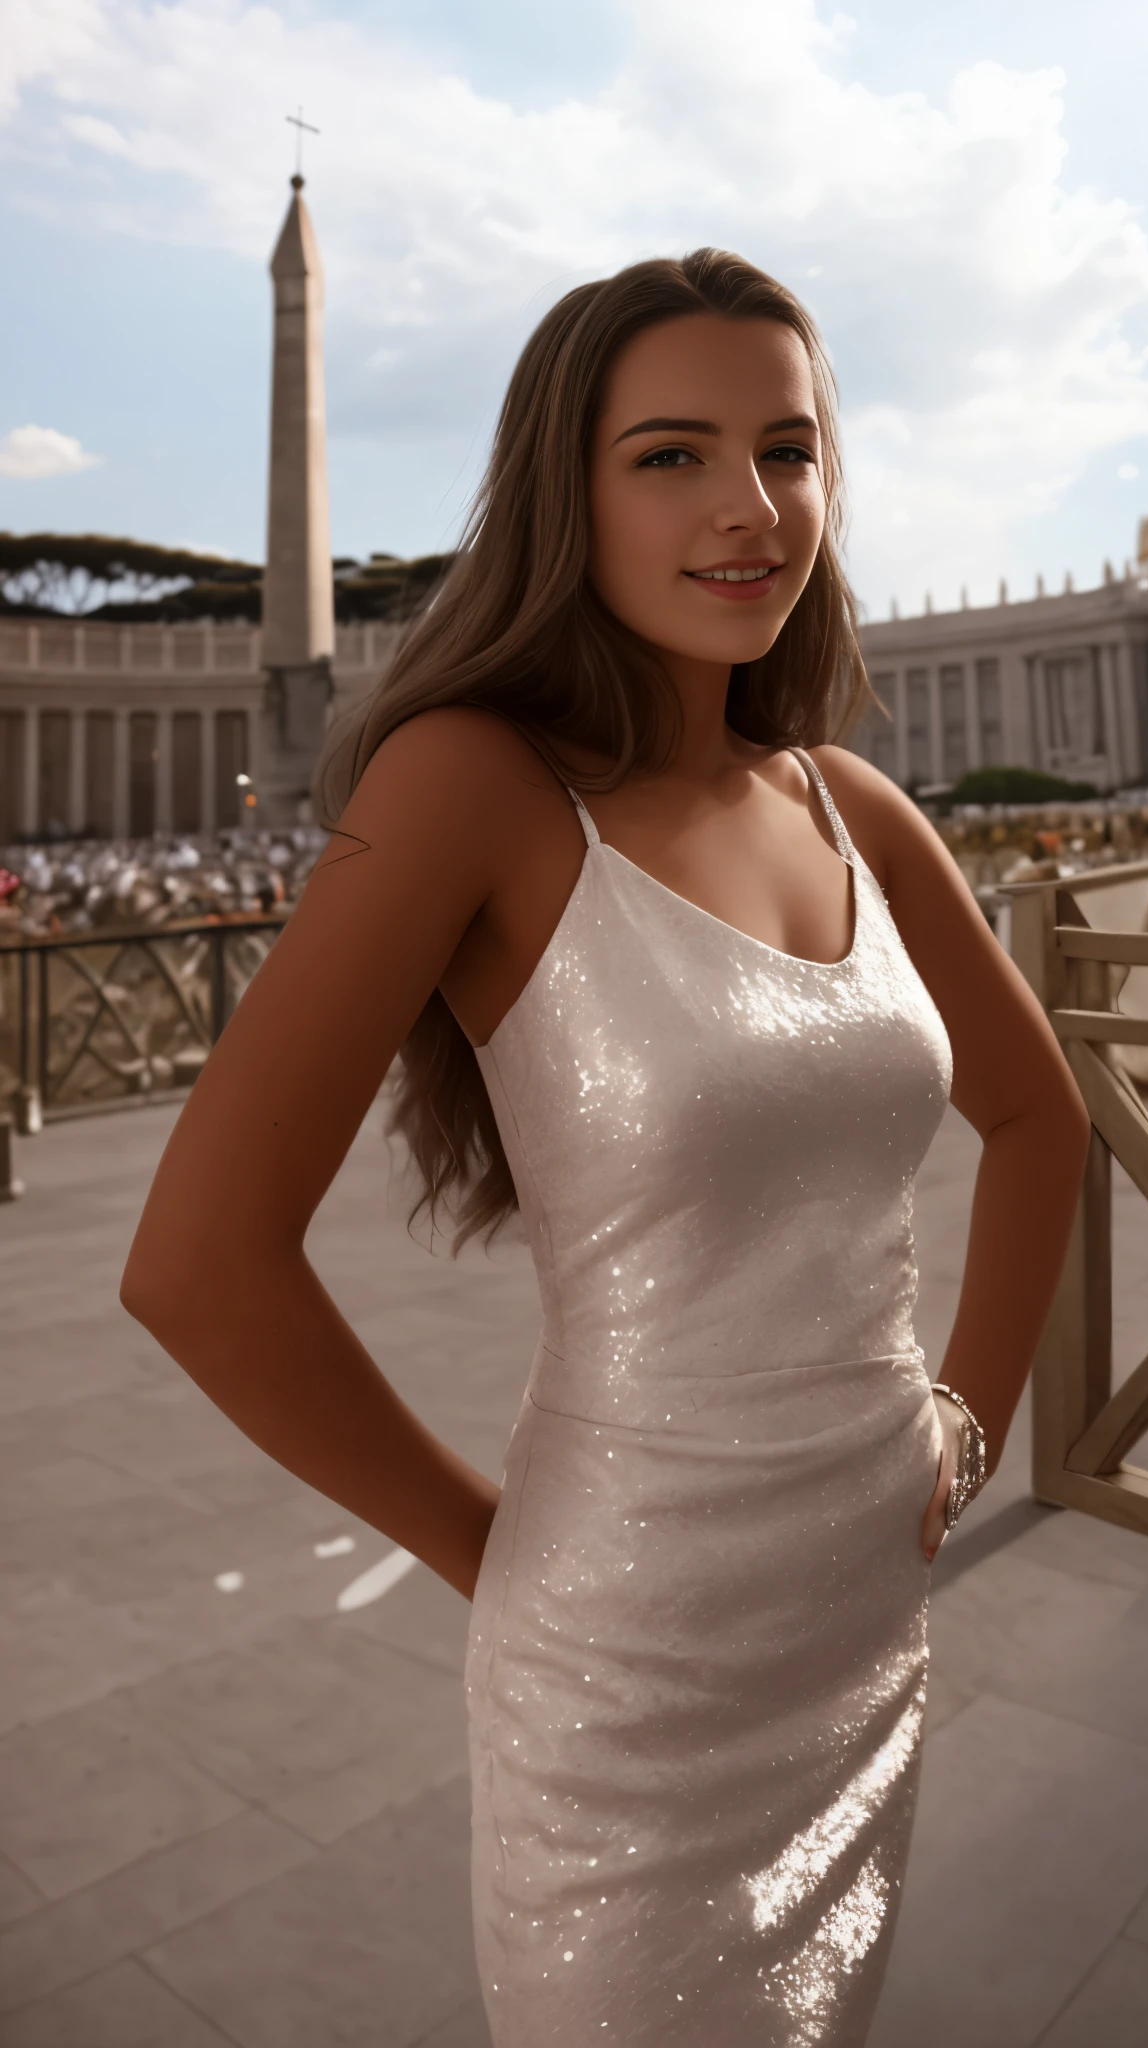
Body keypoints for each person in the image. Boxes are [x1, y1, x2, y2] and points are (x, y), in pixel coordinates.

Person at [122, 248, 1089, 2047]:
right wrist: (499, 1553)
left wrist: (970, 1411)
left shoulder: (853, 805)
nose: (749, 507)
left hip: (868, 1625)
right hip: (624, 1666)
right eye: (672, 454)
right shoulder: (474, 782)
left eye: (788, 450)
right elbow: (193, 1263)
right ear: (565, 490)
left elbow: (1043, 1119)